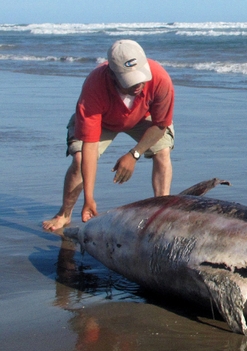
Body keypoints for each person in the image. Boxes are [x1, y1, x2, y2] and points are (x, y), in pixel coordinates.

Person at [42, 40, 175, 231]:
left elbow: (161, 125)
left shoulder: (160, 79)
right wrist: (89, 198)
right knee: (79, 159)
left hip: (143, 118)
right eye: (131, 80)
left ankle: (161, 213)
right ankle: (64, 213)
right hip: (103, 120)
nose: (138, 85)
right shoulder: (95, 85)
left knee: (162, 152)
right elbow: (89, 144)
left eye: (141, 78)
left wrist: (134, 154)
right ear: (112, 74)